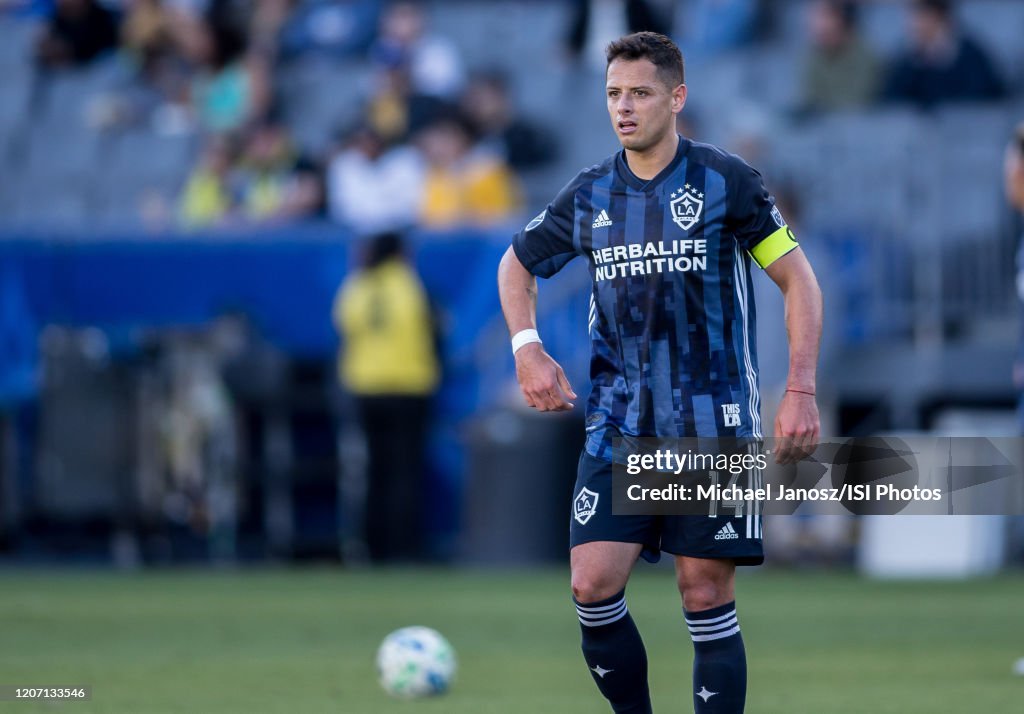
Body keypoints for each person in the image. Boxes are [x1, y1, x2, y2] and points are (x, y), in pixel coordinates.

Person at [497, 32, 822, 713]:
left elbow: (798, 282)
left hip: (712, 422)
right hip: (620, 424)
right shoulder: (588, 195)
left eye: (639, 93)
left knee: (703, 591)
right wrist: (527, 347)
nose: (624, 107)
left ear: (676, 98)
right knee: (591, 585)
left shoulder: (725, 182)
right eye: (614, 93)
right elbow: (517, 263)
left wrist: (799, 389)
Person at [333, 232, 440, 562]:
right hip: (408, 385)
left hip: (365, 387)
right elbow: (430, 327)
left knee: (374, 471)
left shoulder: (356, 286)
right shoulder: (409, 284)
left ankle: (371, 547)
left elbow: (342, 326)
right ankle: (404, 547)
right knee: (404, 472)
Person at [881, 0, 1004, 108]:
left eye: (917, 15)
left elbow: (981, 101)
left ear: (936, 16)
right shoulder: (908, 58)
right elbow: (892, 102)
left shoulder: (971, 56)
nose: (910, 24)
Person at [799, 0, 880, 113]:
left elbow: (857, 104)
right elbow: (809, 101)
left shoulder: (867, 57)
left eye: (825, 18)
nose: (818, 26)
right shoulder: (813, 57)